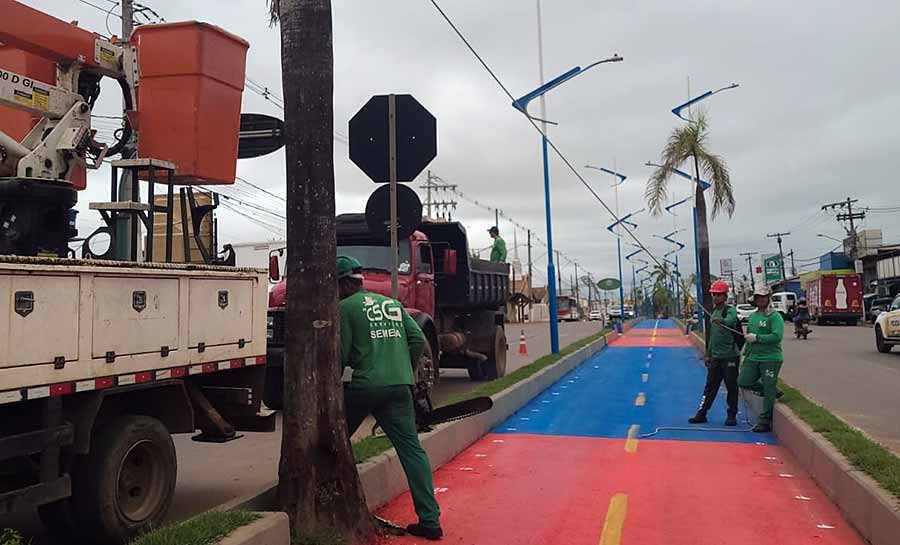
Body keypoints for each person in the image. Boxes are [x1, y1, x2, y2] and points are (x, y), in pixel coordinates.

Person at [337, 255, 443, 540]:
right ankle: (430, 521)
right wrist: (404, 370)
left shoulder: (345, 308)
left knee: (334, 442)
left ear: (344, 284)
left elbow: (341, 354)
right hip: (399, 386)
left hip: (364, 386)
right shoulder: (392, 304)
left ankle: (336, 505)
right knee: (412, 450)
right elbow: (418, 339)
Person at [689, 280, 740, 426]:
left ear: (725, 296)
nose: (716, 297)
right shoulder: (713, 312)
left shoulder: (729, 310)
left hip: (730, 356)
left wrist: (722, 320)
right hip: (716, 357)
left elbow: (731, 321)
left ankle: (732, 415)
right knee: (710, 386)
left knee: (731, 385)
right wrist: (708, 354)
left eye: (719, 295)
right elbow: (712, 337)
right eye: (714, 295)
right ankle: (702, 412)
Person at [737, 285, 785, 433]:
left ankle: (765, 420)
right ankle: (772, 391)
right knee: (744, 381)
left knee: (768, 387)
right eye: (758, 297)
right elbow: (750, 337)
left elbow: (777, 336)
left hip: (770, 358)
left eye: (764, 297)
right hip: (753, 357)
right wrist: (746, 352)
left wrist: (758, 338)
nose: (761, 300)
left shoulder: (775, 316)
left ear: (768, 298)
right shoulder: (753, 316)